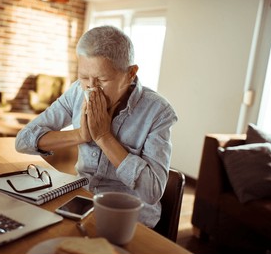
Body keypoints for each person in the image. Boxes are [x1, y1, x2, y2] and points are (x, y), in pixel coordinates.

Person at [15, 25, 177, 228]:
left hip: (129, 218)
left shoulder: (158, 112)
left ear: (130, 73)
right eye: (84, 77)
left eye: (102, 79)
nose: (91, 89)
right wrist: (81, 135)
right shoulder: (76, 92)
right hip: (79, 201)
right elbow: (23, 141)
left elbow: (152, 192)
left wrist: (104, 137)